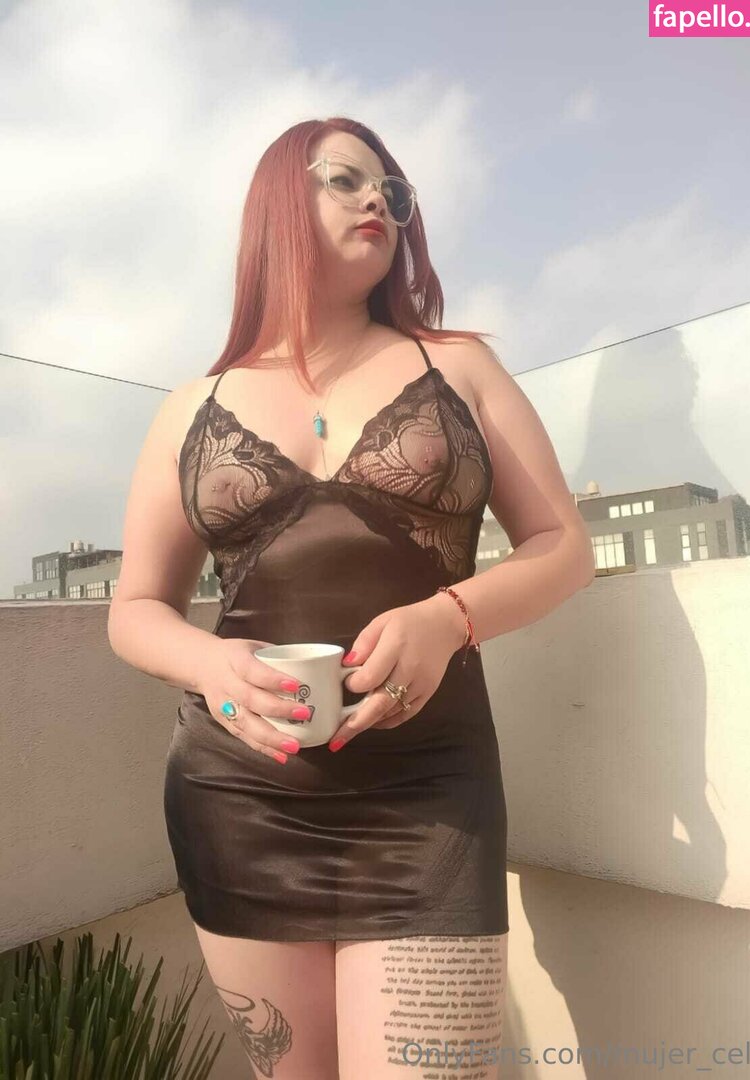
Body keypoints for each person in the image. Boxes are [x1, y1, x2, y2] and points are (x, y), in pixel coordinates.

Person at [108, 117, 595, 1079]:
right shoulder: (190, 407)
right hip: (237, 793)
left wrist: (448, 618)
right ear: (277, 203)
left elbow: (562, 547)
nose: (379, 200)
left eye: (394, 192)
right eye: (346, 179)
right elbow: (134, 609)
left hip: (430, 796)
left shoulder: (456, 366)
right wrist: (213, 666)